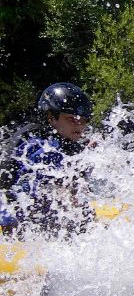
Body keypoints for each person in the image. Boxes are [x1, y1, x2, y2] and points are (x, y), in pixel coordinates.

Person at [0, 82, 94, 236]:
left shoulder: (67, 143)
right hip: (13, 223)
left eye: (83, 120)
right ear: (51, 118)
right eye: (72, 119)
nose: (79, 126)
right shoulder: (35, 144)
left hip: (35, 217)